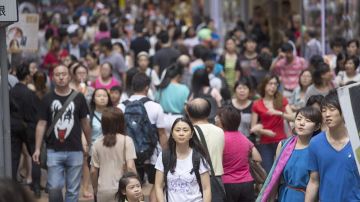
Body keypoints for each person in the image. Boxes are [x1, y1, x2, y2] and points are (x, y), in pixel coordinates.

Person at [32, 65, 92, 202]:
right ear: (53, 78)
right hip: (53, 150)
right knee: (54, 187)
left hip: (75, 149)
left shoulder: (79, 98)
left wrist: (89, 143)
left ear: (69, 76)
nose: (61, 77)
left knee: (72, 190)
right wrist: (37, 148)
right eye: (57, 74)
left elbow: (85, 123)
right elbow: (41, 124)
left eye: (64, 74)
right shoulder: (47, 98)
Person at [118, 73, 167, 202]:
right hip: (152, 154)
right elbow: (161, 133)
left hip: (128, 154)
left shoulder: (121, 107)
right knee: (157, 185)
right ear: (147, 88)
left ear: (132, 87)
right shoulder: (156, 107)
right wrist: (167, 154)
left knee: (130, 187)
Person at [257, 106, 322, 201]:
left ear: (317, 126)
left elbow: (314, 182)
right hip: (284, 196)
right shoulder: (284, 145)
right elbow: (275, 176)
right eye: (299, 119)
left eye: (308, 121)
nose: (302, 123)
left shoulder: (317, 149)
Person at [305, 90, 360, 201]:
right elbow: (314, 181)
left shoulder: (357, 141)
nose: (327, 114)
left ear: (344, 111)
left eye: (332, 109)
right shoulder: (315, 143)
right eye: (324, 110)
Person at [154, 117, 211, 202]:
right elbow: (158, 186)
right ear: (172, 134)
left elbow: (206, 189)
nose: (181, 133)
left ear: (191, 134)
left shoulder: (198, 157)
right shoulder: (164, 156)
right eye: (177, 130)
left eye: (185, 130)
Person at [216, 105, 262, 202]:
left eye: (218, 116)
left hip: (227, 184)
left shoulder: (220, 139)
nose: (215, 118)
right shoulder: (244, 138)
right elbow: (258, 158)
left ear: (223, 120)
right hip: (247, 183)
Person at [90, 107, 137, 202]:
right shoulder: (126, 141)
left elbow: (93, 171)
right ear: (121, 122)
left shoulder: (97, 143)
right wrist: (136, 185)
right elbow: (130, 167)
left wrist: (95, 189)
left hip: (103, 190)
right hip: (123, 189)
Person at [251, 74, 294, 173]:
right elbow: (253, 127)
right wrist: (264, 131)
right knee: (268, 172)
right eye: (270, 84)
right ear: (264, 85)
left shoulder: (282, 100)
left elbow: (293, 118)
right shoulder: (257, 104)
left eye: (275, 84)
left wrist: (279, 113)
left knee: (284, 171)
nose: (273, 86)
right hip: (265, 142)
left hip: (282, 141)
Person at [9, 63, 41, 197]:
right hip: (29, 127)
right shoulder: (30, 93)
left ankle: (11, 187)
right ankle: (36, 187)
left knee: (14, 157)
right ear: (27, 77)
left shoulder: (11, 91)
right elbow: (36, 112)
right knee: (35, 155)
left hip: (13, 126)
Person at [186, 98, 225, 200]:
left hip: (194, 180)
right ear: (209, 112)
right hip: (215, 179)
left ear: (189, 113)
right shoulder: (219, 131)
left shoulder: (187, 132)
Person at [155, 63, 189, 133]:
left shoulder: (161, 87)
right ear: (179, 75)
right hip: (178, 119)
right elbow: (186, 107)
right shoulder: (184, 89)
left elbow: (156, 102)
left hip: (162, 118)